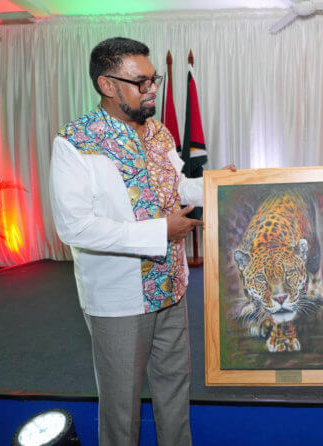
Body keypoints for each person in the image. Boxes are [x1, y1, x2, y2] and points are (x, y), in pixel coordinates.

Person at [49, 37, 233, 446]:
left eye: (154, 80)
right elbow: (74, 227)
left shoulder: (159, 134)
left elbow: (177, 185)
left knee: (174, 392)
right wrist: (159, 232)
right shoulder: (75, 142)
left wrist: (222, 185)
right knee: (121, 409)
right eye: (141, 82)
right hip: (119, 301)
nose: (152, 89)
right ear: (107, 84)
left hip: (172, 287)